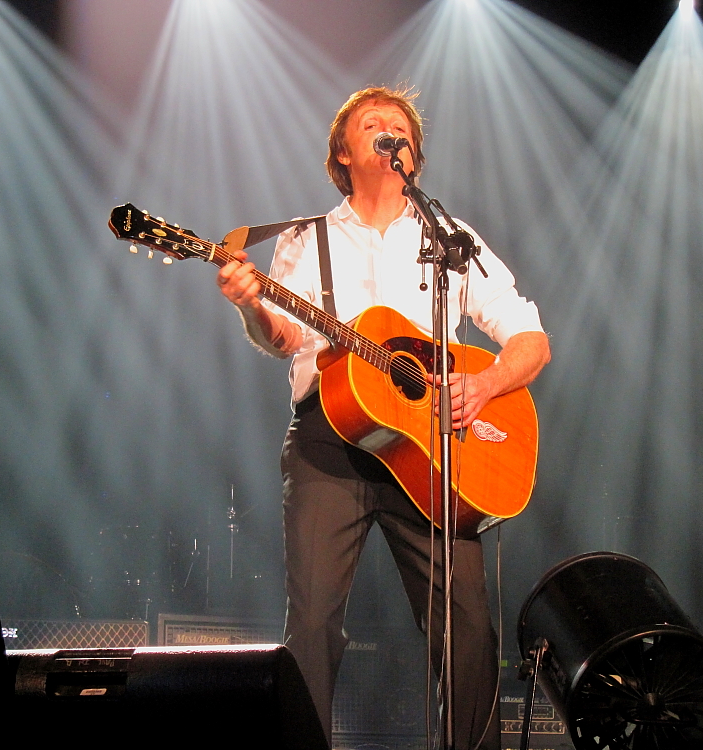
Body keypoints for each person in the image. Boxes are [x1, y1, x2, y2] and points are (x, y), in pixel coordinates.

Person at [216, 87, 550, 750]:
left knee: (466, 627)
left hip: (431, 452)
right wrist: (251, 305)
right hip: (328, 438)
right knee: (313, 624)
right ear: (344, 151)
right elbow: (284, 339)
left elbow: (530, 339)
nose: (386, 129)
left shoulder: (451, 240)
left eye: (397, 126)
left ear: (412, 158)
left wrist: (483, 384)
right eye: (371, 123)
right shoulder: (304, 239)